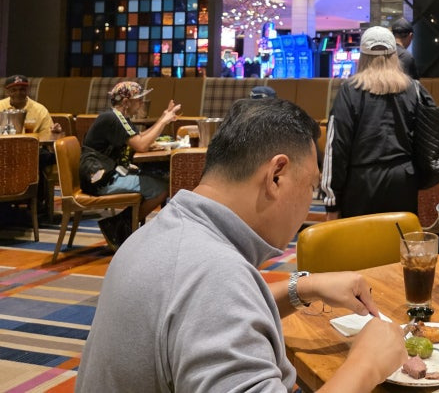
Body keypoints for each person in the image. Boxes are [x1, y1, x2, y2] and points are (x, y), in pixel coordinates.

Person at [75, 98, 406, 393]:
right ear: (276, 176)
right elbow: (215, 300)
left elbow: (205, 316)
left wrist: (304, 287)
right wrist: (367, 363)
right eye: (311, 186)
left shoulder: (163, 233)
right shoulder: (214, 277)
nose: (310, 202)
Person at [321, 25, 421, 218]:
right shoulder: (413, 88)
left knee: (361, 237)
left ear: (363, 56)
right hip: (403, 180)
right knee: (399, 236)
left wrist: (331, 202)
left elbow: (336, 147)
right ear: (394, 55)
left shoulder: (350, 90)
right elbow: (425, 137)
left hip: (361, 182)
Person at [81, 81, 180, 248]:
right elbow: (141, 145)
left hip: (107, 174)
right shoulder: (113, 119)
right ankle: (118, 226)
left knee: (159, 178)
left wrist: (162, 119)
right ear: (126, 102)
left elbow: (140, 138)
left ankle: (124, 226)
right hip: (100, 179)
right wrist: (163, 122)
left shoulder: (119, 118)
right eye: (138, 99)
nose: (141, 103)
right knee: (162, 187)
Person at [0, 75, 62, 216]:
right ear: (7, 91)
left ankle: (35, 202)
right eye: (14, 90)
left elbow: (48, 136)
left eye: (22, 89)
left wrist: (54, 132)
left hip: (32, 152)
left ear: (28, 90)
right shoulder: (0, 106)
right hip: (4, 152)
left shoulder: (39, 110)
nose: (18, 93)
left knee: (38, 157)